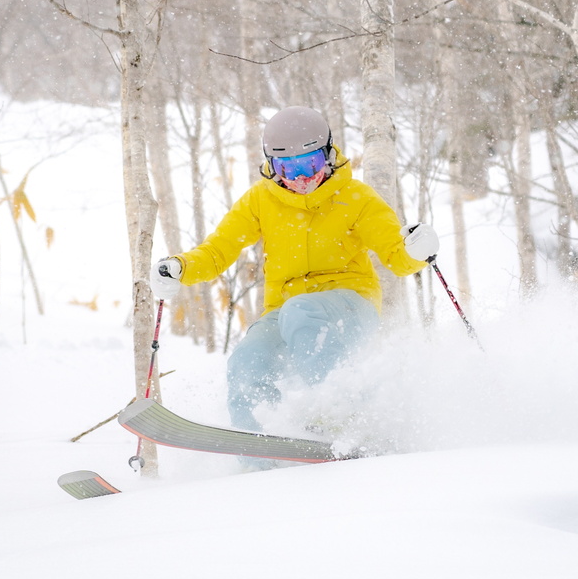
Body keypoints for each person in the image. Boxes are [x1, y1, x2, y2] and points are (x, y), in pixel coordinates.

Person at [150, 106, 439, 434]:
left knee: (300, 312)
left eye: (309, 163)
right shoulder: (260, 201)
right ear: (272, 166)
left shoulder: (356, 198)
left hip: (351, 304)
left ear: (328, 156)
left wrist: (416, 251)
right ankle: (257, 451)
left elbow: (396, 256)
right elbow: (218, 251)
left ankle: (337, 416)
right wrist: (180, 267)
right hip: (284, 311)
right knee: (248, 357)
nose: (300, 178)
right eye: (287, 166)